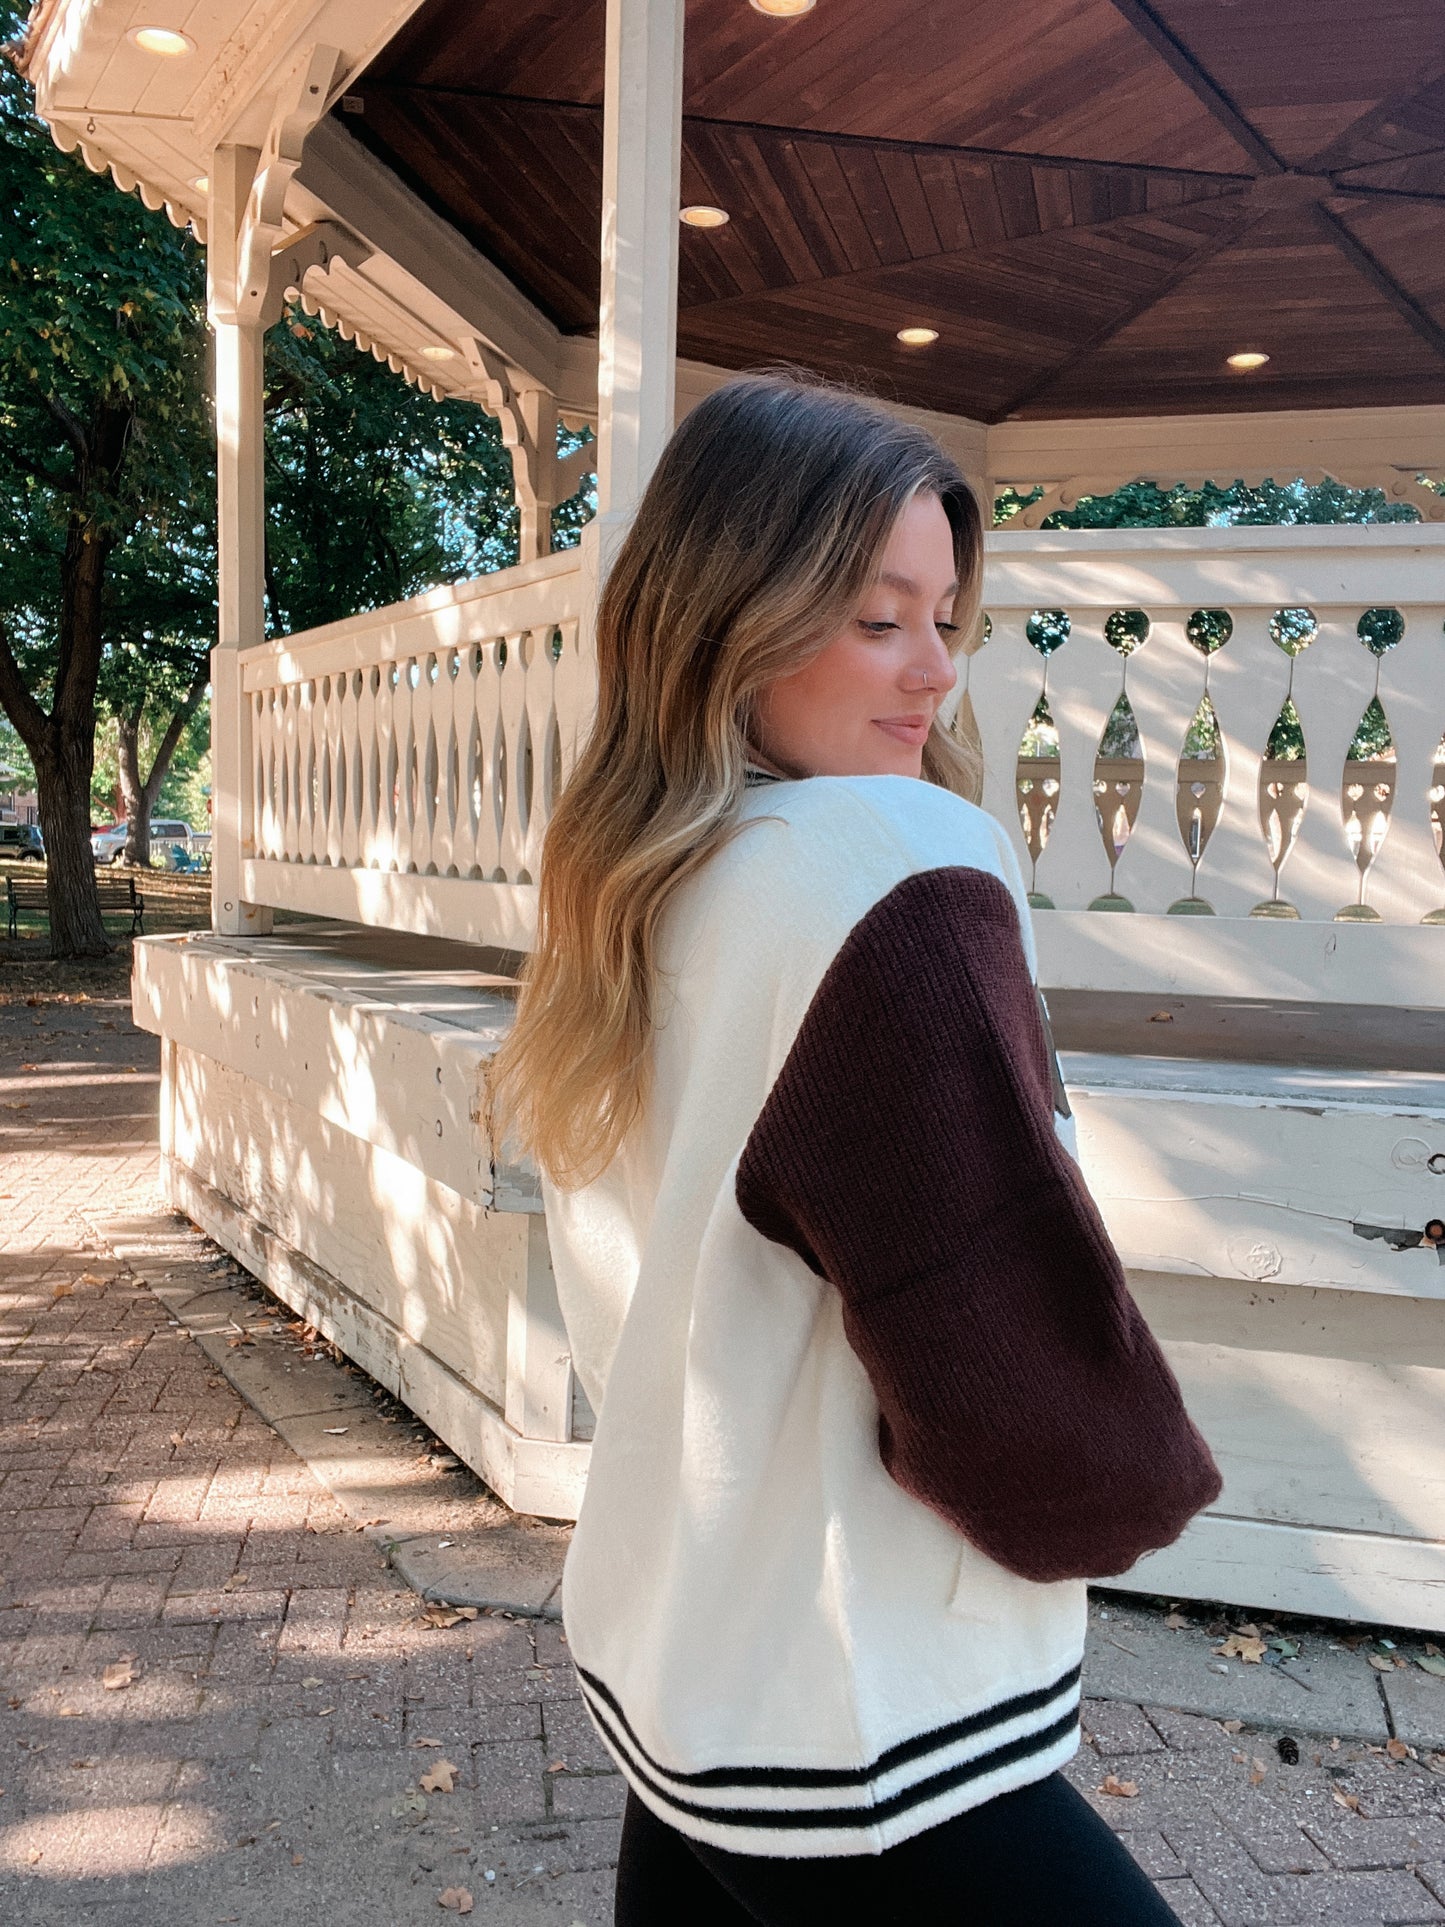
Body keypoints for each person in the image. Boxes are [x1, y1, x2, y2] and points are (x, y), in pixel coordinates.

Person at [488, 373, 1221, 1925]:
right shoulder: (892, 866)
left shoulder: (630, 887)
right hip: (874, 1697)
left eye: (944, 616)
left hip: (690, 1659)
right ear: (724, 614)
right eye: (876, 617)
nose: (933, 671)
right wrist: (1116, 1486)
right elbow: (995, 1323)